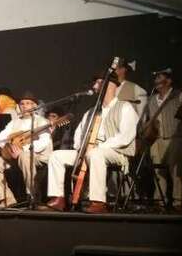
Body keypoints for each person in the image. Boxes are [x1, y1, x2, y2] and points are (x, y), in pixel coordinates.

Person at [45, 77, 138, 214]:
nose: (95, 87)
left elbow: (126, 136)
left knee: (95, 154)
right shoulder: (91, 112)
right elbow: (79, 133)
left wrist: (100, 147)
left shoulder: (125, 107)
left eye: (99, 83)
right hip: (88, 150)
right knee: (56, 155)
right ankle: (58, 198)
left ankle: (98, 202)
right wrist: (81, 149)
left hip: (116, 151)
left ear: (111, 85)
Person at [0, 92, 53, 208]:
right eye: (22, 104)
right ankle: (8, 199)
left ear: (34, 106)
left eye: (28, 103)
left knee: (25, 156)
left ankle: (34, 197)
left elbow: (43, 143)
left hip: (38, 156)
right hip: (14, 156)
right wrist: (10, 147)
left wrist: (23, 149)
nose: (25, 106)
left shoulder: (42, 121)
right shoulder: (15, 122)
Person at [145, 69, 182, 209]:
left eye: (160, 78)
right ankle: (159, 200)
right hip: (156, 139)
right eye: (156, 78)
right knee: (158, 172)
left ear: (168, 81)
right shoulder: (151, 99)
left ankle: (178, 201)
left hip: (174, 137)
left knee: (176, 171)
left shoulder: (178, 96)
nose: (156, 81)